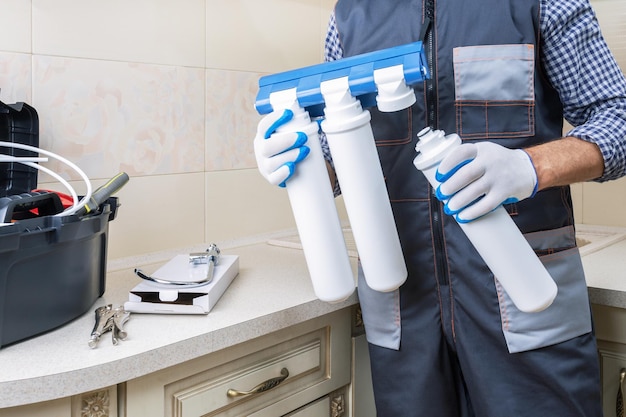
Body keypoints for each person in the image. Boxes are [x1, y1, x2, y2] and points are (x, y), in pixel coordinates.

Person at [253, 0, 626, 415]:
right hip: (402, 303)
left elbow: (618, 116)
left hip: (523, 297)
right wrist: (297, 164)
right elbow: (335, 154)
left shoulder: (544, 3)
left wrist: (530, 165)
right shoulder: (349, 17)